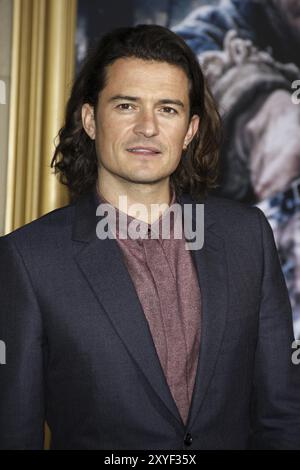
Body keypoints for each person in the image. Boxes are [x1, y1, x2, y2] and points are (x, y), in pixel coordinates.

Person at [0, 24, 299, 450]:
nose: (147, 127)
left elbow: (284, 414)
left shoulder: (247, 236)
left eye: (168, 109)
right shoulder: (29, 259)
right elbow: (14, 431)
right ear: (90, 119)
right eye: (126, 105)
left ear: (190, 130)